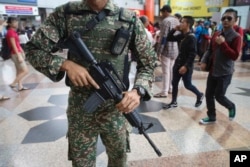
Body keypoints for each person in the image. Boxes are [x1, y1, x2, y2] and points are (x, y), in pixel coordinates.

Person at [25, 0, 156, 166]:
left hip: (117, 108)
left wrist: (138, 91)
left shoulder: (128, 19)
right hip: (81, 108)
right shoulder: (65, 13)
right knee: (82, 163)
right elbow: (33, 50)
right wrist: (66, 65)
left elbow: (149, 63)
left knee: (119, 160)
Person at [199, 8, 242, 124]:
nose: (225, 21)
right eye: (223, 18)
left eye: (229, 18)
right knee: (209, 95)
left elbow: (234, 56)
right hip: (213, 70)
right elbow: (209, 50)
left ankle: (231, 106)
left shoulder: (236, 37)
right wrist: (203, 61)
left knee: (219, 96)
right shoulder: (216, 33)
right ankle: (211, 117)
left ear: (235, 21)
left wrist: (223, 44)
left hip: (225, 73)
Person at [163, 15, 204, 110]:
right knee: (174, 83)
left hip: (186, 66)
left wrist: (185, 66)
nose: (180, 24)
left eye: (182, 22)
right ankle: (173, 102)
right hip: (178, 63)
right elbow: (169, 38)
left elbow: (193, 54)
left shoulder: (191, 37)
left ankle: (200, 95)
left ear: (188, 24)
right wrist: (174, 29)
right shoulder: (182, 35)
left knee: (187, 85)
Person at [154, 5, 180, 98]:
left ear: (165, 11)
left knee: (165, 71)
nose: (161, 14)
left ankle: (164, 91)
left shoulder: (166, 21)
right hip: (175, 49)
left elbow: (163, 38)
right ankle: (170, 88)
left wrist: (158, 52)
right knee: (171, 70)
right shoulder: (177, 20)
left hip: (167, 49)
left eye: (162, 12)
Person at [6, 17, 29, 91]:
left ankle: (20, 86)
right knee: (25, 71)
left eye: (16, 21)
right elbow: (13, 45)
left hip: (18, 52)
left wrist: (22, 51)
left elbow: (17, 44)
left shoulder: (14, 31)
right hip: (15, 54)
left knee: (19, 71)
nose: (16, 23)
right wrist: (19, 55)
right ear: (9, 24)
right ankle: (13, 84)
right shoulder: (10, 32)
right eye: (14, 22)